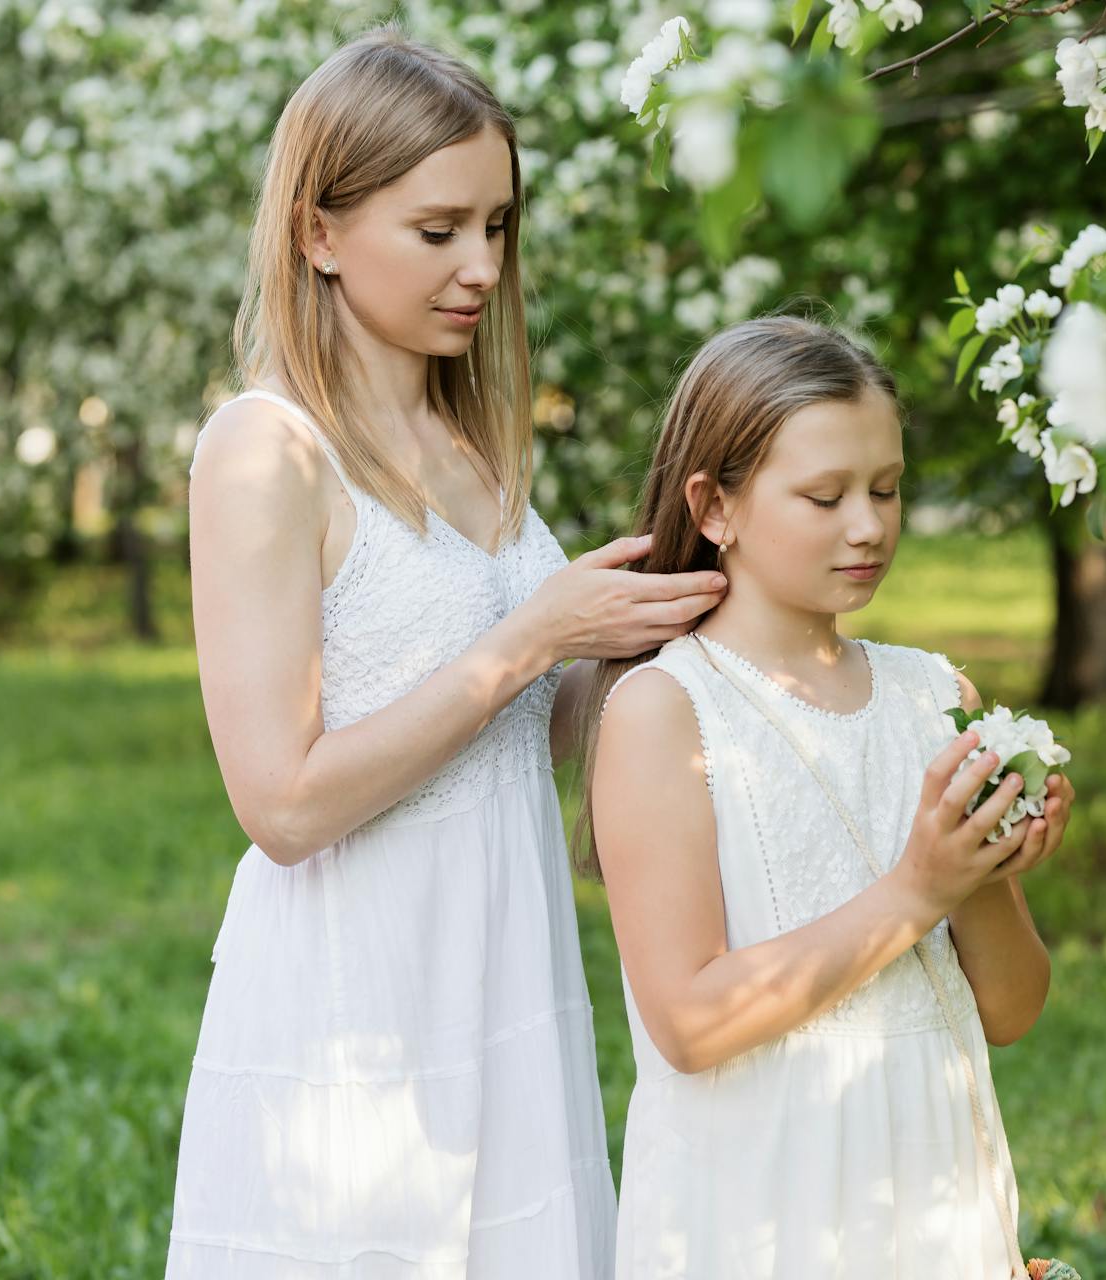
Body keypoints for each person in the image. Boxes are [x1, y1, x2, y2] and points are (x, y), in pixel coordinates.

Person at [166, 28, 724, 1278]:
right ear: (318, 229)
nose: (480, 266)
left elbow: (540, 724)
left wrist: (646, 629)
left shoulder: (471, 449)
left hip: (507, 962)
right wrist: (529, 639)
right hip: (358, 988)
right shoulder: (267, 451)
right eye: (438, 232)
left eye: (500, 227)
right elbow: (283, 803)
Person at [584, 316, 1075, 1278]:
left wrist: (979, 868)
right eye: (825, 495)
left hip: (930, 1187)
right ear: (713, 507)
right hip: (763, 1198)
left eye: (887, 489)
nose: (869, 525)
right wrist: (918, 889)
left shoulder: (933, 696)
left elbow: (1011, 1009)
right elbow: (688, 1020)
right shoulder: (666, 711)